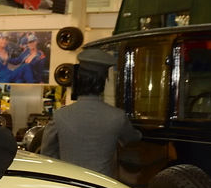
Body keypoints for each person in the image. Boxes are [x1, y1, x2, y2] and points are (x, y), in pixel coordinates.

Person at [40, 48, 140, 177]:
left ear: (78, 80)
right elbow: (132, 139)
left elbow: (47, 153)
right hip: (104, 186)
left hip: (69, 184)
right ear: (104, 81)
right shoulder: (117, 117)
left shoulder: (60, 116)